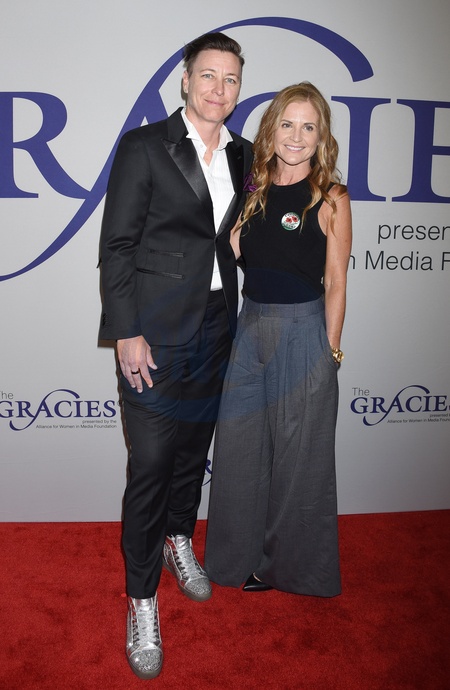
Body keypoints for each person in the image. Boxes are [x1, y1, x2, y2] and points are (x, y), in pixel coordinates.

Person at [98, 32, 252, 679]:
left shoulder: (244, 154)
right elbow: (117, 246)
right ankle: (141, 600)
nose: (219, 89)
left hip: (217, 326)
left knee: (192, 453)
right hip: (154, 334)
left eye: (231, 79)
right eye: (208, 75)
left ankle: (178, 539)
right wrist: (126, 331)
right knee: (153, 464)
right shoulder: (145, 146)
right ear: (185, 80)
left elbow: (231, 234)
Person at [204, 82, 352, 597]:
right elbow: (236, 250)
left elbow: (337, 281)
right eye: (287, 124)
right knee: (239, 450)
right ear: (272, 129)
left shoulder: (331, 196)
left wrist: (330, 351)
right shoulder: (254, 187)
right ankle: (233, 560)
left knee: (300, 458)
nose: (296, 135)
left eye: (308, 127)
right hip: (250, 329)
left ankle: (288, 569)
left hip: (303, 331)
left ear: (321, 136)